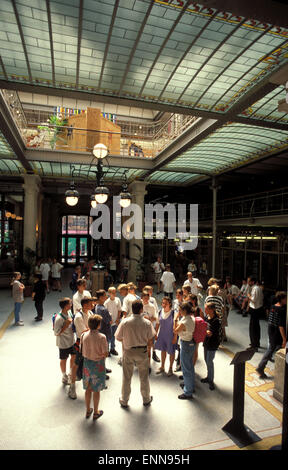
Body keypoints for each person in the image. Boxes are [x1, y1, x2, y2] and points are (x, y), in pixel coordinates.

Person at [115, 299, 155, 408]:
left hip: (128, 351)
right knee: (144, 377)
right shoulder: (147, 323)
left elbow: (118, 337)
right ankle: (146, 399)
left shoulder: (125, 322)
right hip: (142, 352)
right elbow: (151, 340)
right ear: (142, 309)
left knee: (127, 377)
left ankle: (124, 400)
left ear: (132, 309)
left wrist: (127, 340)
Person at [81, 314, 108, 420]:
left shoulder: (84, 335)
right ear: (98, 325)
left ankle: (88, 410)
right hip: (98, 365)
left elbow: (81, 349)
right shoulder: (102, 337)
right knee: (96, 390)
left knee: (88, 388)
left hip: (87, 364)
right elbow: (105, 353)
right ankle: (96, 411)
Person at [256, 291, 287, 379]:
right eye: (285, 299)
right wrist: (284, 339)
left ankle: (262, 367)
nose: (286, 300)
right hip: (277, 332)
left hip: (271, 329)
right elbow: (281, 326)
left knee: (273, 347)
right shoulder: (282, 310)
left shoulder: (273, 306)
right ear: (282, 299)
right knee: (272, 348)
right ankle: (260, 367)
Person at [54, 298, 77, 399]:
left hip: (71, 341)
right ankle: (64, 376)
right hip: (63, 343)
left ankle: (71, 372)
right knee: (64, 359)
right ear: (65, 306)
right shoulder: (59, 318)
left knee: (74, 356)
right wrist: (66, 325)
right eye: (70, 303)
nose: (71, 305)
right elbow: (56, 333)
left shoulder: (69, 313)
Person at [174, 302, 195, 400]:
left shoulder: (184, 321)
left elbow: (175, 330)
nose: (179, 312)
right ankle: (190, 385)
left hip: (185, 344)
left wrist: (175, 320)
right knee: (190, 367)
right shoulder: (191, 318)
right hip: (191, 343)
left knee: (186, 369)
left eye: (180, 310)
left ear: (184, 311)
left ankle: (188, 392)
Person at [155, 297, 178, 376]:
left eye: (166, 303)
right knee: (163, 350)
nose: (164, 305)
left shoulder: (174, 313)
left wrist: (175, 337)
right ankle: (162, 366)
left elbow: (176, 326)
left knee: (171, 351)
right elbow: (158, 324)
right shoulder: (160, 312)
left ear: (170, 304)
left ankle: (170, 368)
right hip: (162, 335)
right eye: (163, 303)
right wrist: (155, 333)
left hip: (171, 335)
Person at [201, 302, 221, 391]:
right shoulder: (207, 317)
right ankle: (208, 377)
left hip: (212, 343)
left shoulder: (216, 320)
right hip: (206, 342)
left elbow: (210, 333)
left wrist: (204, 331)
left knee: (210, 361)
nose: (205, 310)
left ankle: (211, 380)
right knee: (206, 359)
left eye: (206, 309)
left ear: (211, 310)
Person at [141, 291, 158, 372]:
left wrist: (149, 318)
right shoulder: (138, 305)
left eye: (147, 298)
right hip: (139, 330)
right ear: (142, 298)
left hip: (148, 330)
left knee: (148, 348)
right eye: (145, 298)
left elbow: (155, 318)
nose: (146, 300)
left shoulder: (152, 306)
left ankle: (148, 366)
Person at [246, 277, 264, 351]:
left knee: (253, 328)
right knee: (256, 327)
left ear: (252, 282)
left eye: (249, 281)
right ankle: (256, 342)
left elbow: (253, 299)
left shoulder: (255, 288)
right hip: (258, 308)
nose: (248, 283)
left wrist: (249, 296)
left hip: (255, 309)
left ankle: (254, 345)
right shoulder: (258, 288)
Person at [104, 287, 122, 356]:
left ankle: (112, 348)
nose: (114, 294)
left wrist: (118, 319)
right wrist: (109, 320)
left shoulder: (117, 300)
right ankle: (107, 350)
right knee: (108, 336)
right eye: (113, 293)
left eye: (115, 292)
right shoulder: (107, 302)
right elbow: (106, 313)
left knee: (114, 336)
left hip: (116, 321)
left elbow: (119, 310)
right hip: (110, 323)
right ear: (109, 293)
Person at [188, 294, 204, 365]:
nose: (188, 301)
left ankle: (193, 366)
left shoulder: (198, 310)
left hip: (196, 332)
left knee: (195, 350)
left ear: (194, 301)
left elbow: (202, 321)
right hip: (189, 331)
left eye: (189, 299)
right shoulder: (188, 309)